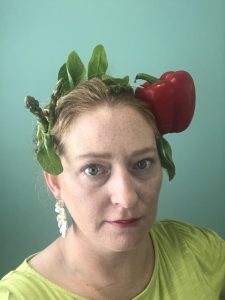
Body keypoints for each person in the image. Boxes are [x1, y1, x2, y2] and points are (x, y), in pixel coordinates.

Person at [0, 45, 224, 300]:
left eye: (142, 164)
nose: (126, 197)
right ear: (55, 182)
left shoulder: (204, 253)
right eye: (93, 169)